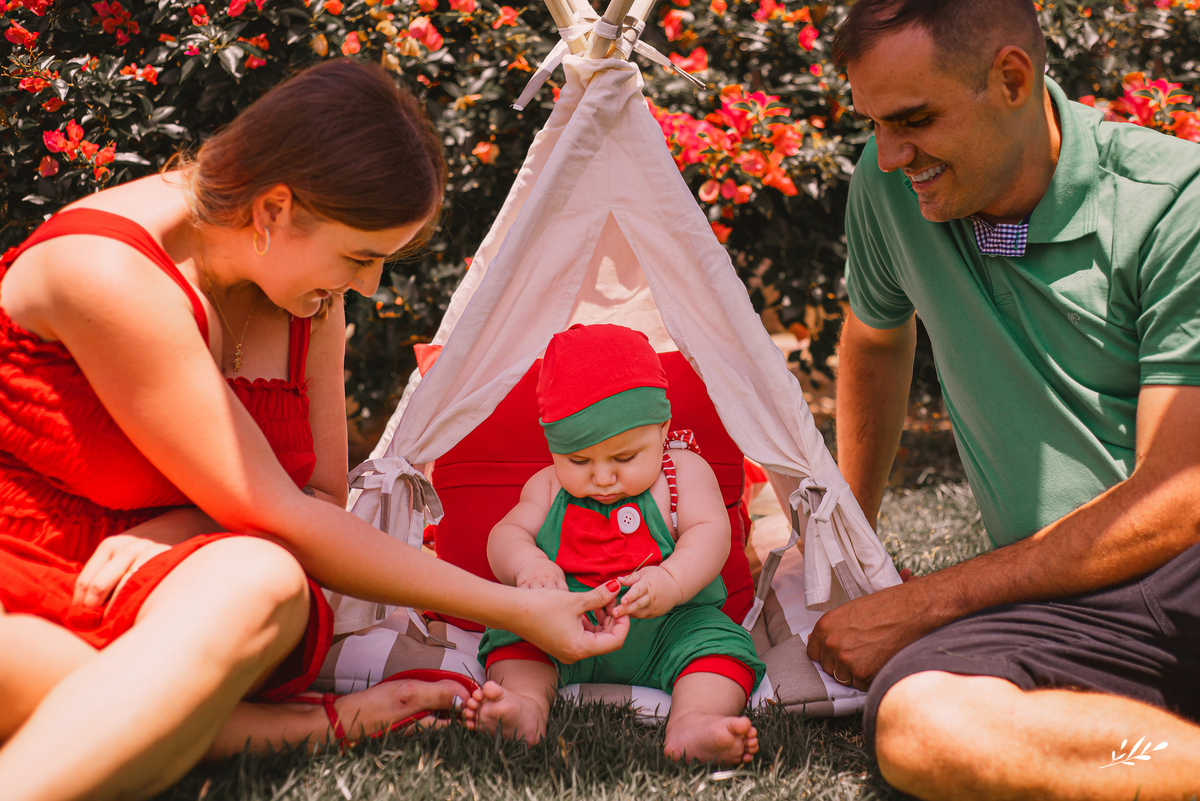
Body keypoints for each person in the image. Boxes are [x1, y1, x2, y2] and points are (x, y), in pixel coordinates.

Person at [0, 58, 630, 801]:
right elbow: (280, 510)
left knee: (264, 578)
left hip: (182, 593)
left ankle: (208, 720)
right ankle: (276, 728)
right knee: (43, 663)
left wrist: (186, 524)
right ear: (273, 210)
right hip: (26, 575)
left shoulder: (308, 298)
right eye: (361, 256)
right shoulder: (105, 270)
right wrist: (520, 608)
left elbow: (314, 502)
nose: (367, 287)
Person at [804, 1, 1200, 798]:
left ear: (1011, 78)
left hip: (1185, 562)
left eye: (913, 119)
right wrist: (849, 536)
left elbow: (1178, 496)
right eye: (874, 123)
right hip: (1066, 606)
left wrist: (923, 603)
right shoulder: (892, 194)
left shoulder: (1174, 202)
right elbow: (876, 337)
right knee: (924, 724)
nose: (888, 155)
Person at [461, 324, 765, 765]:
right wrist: (526, 564)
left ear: (662, 430)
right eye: (578, 460)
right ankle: (524, 707)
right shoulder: (546, 486)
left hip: (669, 626)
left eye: (624, 458)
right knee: (515, 638)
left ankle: (694, 721)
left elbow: (710, 534)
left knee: (719, 646)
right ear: (553, 448)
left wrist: (672, 581)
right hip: (563, 628)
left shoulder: (681, 473)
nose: (602, 478)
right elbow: (505, 535)